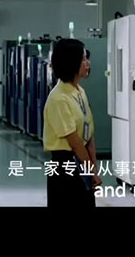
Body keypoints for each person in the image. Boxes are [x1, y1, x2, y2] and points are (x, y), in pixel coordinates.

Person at [43, 38, 102, 207]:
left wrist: (93, 167)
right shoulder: (59, 98)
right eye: (83, 59)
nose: (88, 63)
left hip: (82, 161)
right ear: (71, 62)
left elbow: (88, 133)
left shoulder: (79, 91)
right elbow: (75, 143)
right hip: (66, 166)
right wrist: (91, 170)